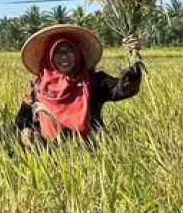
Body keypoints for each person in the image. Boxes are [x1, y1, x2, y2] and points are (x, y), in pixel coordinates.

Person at [15, 24, 143, 147]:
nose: (64, 56)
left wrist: (134, 57)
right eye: (58, 52)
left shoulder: (94, 81)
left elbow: (125, 89)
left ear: (77, 54)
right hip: (48, 153)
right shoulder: (36, 87)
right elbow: (23, 118)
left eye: (69, 50)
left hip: (89, 150)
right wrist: (26, 131)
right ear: (50, 57)